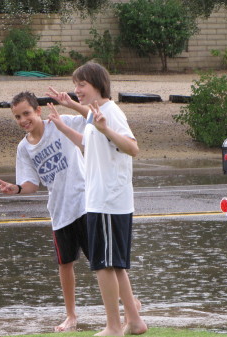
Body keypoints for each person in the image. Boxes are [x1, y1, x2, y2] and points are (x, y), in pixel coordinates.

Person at [47, 62, 148, 336]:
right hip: (102, 201)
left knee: (104, 265)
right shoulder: (98, 115)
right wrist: (61, 123)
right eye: (75, 84)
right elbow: (87, 145)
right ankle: (135, 321)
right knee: (114, 264)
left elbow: (132, 148)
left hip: (108, 201)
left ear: (97, 85)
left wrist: (105, 130)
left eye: (82, 85)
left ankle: (113, 327)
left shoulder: (110, 114)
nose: (77, 89)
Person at [0, 91, 89, 332]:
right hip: (59, 210)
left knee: (101, 261)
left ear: (38, 111)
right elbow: (32, 183)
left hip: (85, 203)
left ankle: (127, 303)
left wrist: (72, 104)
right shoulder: (24, 148)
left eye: (26, 113)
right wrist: (17, 188)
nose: (23, 120)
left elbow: (92, 121)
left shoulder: (58, 122)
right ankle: (71, 316)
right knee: (65, 264)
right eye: (17, 116)